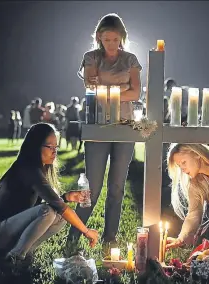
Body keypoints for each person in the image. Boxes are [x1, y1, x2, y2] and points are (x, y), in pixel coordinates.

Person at [66, 13, 142, 252]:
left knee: (117, 187)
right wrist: (121, 88)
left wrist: (105, 89)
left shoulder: (131, 59)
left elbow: (136, 93)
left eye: (115, 38)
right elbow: (90, 86)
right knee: (93, 187)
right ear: (99, 38)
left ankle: (110, 237)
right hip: (98, 124)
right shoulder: (91, 57)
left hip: (124, 126)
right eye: (106, 39)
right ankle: (75, 234)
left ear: (122, 37)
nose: (111, 43)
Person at [0, 123, 99, 264]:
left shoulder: (37, 169)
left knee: (59, 216)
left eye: (56, 147)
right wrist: (87, 231)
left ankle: (24, 251)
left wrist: (67, 197)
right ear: (36, 146)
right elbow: (57, 207)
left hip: (5, 235)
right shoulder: (29, 169)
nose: (55, 152)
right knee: (50, 211)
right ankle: (15, 258)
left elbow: (53, 206)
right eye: (50, 147)